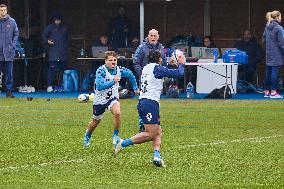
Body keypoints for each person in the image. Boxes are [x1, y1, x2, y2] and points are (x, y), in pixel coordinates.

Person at [114, 50, 185, 167]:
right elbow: (179, 74)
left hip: (143, 102)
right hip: (150, 104)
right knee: (151, 133)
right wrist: (181, 63)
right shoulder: (157, 68)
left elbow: (159, 73)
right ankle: (122, 143)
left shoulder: (146, 67)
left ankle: (157, 156)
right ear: (159, 59)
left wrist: (169, 65)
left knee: (158, 131)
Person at [83, 51, 139, 149]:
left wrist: (135, 88)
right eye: (110, 60)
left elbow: (130, 74)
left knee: (117, 113)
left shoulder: (119, 70)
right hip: (100, 100)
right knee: (95, 122)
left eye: (115, 60)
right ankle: (87, 135)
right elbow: (100, 87)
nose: (113, 62)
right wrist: (113, 81)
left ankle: (115, 136)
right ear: (105, 61)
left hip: (113, 97)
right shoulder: (101, 70)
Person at [43, 14, 70, 92]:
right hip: (53, 53)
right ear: (54, 20)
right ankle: (49, 86)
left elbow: (68, 38)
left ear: (61, 20)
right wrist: (48, 41)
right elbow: (44, 36)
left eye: (58, 20)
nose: (57, 22)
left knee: (63, 70)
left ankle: (62, 86)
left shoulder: (65, 28)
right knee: (51, 70)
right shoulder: (50, 27)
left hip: (63, 53)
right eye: (56, 20)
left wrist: (66, 47)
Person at [262, 10, 284, 98]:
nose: (281, 18)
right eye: (280, 16)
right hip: (276, 53)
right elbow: (282, 43)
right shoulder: (279, 28)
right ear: (277, 17)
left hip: (269, 53)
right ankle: (274, 92)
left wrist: (268, 49)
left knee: (268, 72)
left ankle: (267, 92)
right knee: (274, 72)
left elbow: (263, 40)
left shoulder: (267, 27)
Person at [0, 4, 19, 98]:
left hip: (8, 52)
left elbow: (16, 33)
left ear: (6, 10)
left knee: (9, 73)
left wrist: (13, 44)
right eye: (1, 10)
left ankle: (9, 92)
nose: (3, 12)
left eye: (4, 10)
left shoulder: (12, 22)